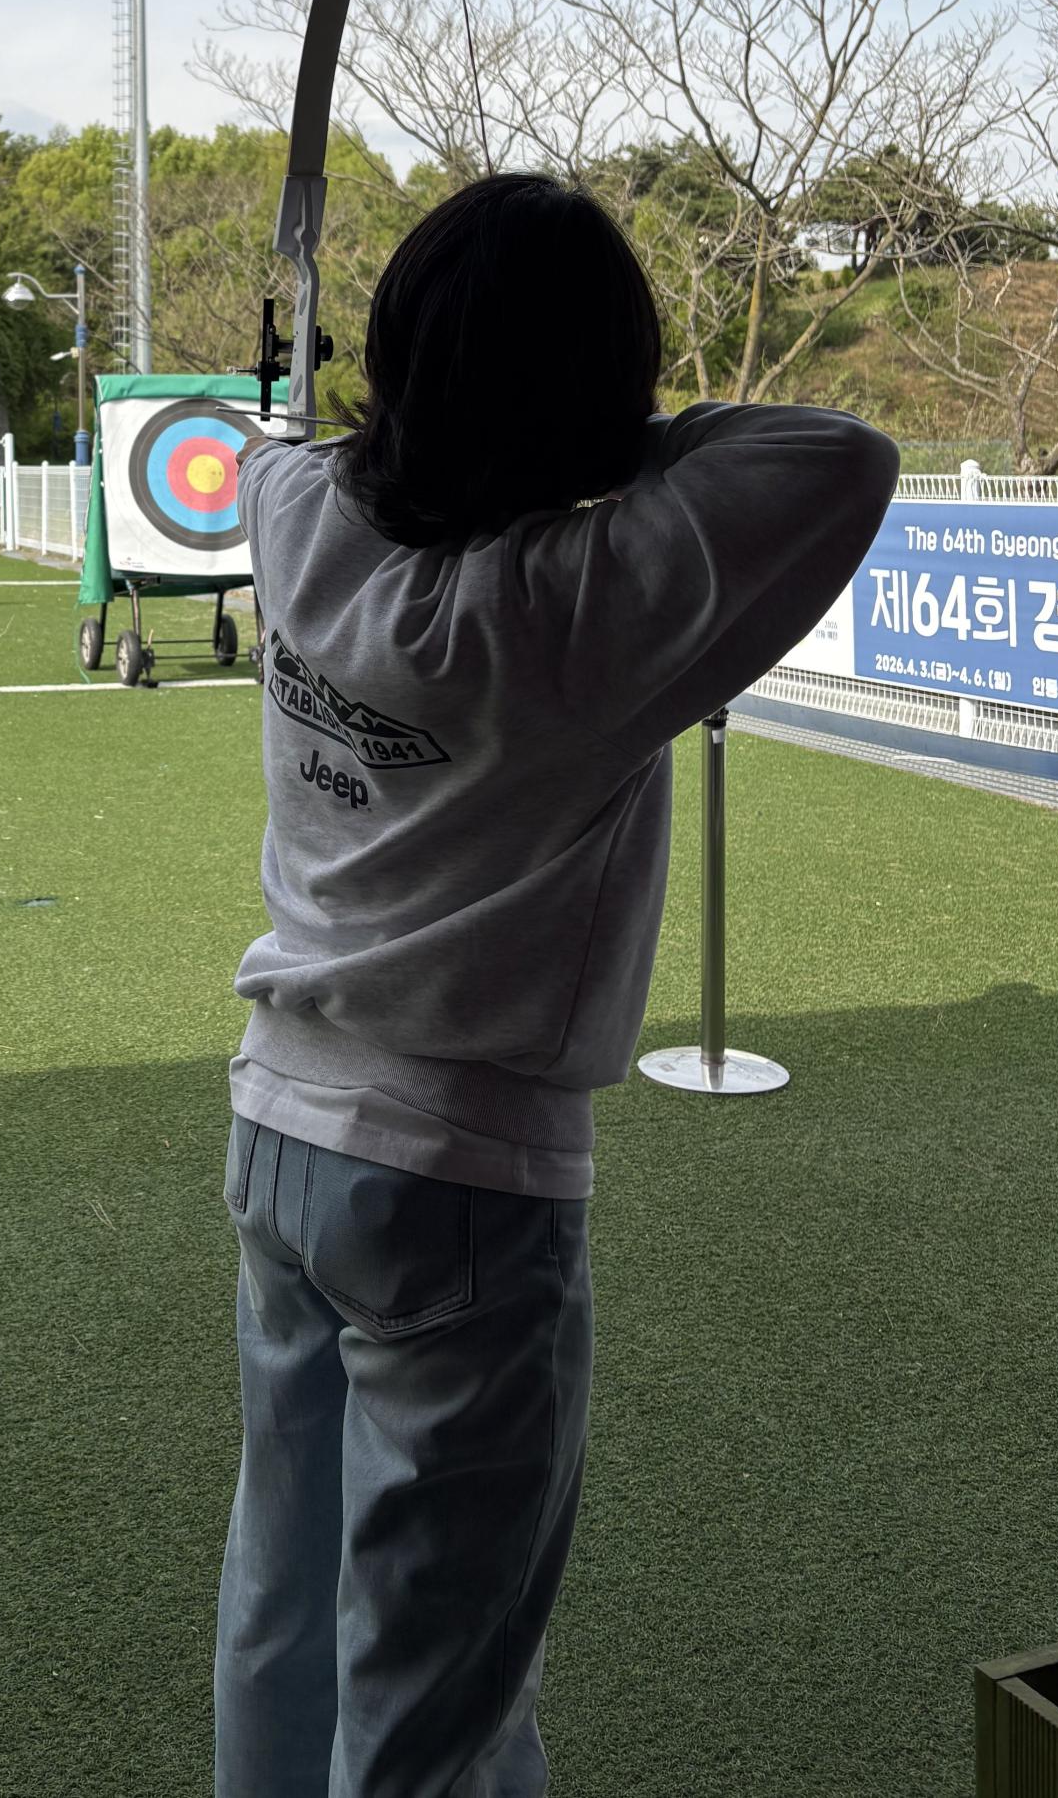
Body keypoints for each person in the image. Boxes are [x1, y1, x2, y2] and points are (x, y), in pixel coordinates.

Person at [215, 172, 899, 1798]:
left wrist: (410, 410)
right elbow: (838, 457)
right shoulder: (564, 612)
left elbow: (278, 440)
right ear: (590, 404)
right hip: (456, 1177)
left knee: (284, 1598)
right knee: (432, 1681)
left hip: (279, 1137)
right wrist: (608, 448)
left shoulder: (295, 515)